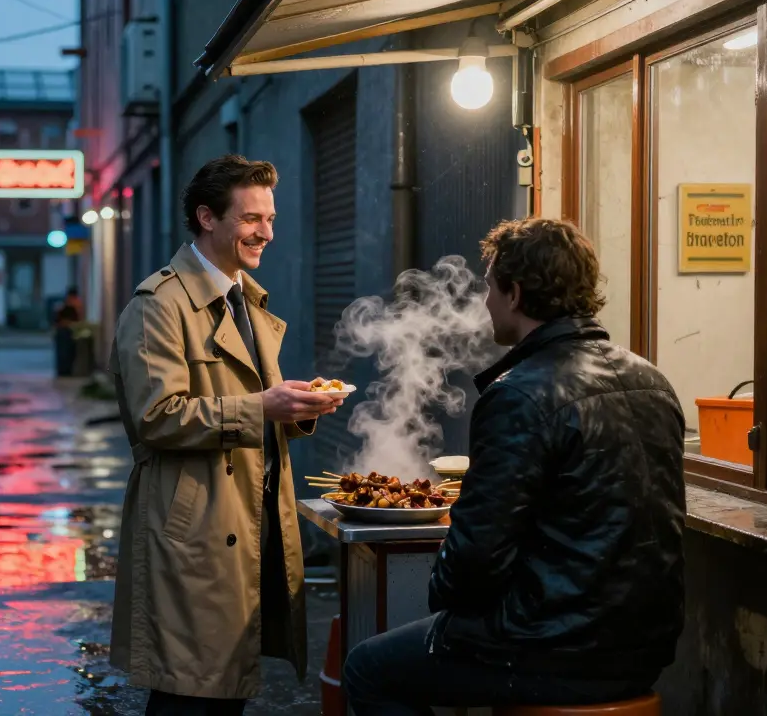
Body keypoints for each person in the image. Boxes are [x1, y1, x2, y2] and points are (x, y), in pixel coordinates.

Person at [342, 218, 687, 714]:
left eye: (489, 287)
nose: (484, 301)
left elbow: (476, 558)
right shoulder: (653, 380)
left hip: (552, 650)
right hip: (646, 647)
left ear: (516, 293)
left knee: (367, 668)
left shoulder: (519, 394)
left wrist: (440, 592)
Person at [108, 154, 345, 715]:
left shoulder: (246, 295)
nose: (265, 232)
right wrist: (263, 405)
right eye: (250, 218)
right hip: (194, 530)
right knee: (189, 693)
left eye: (270, 218)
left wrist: (293, 403)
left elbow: (245, 401)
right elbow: (156, 417)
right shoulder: (158, 305)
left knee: (221, 692)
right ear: (207, 218)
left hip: (244, 520)